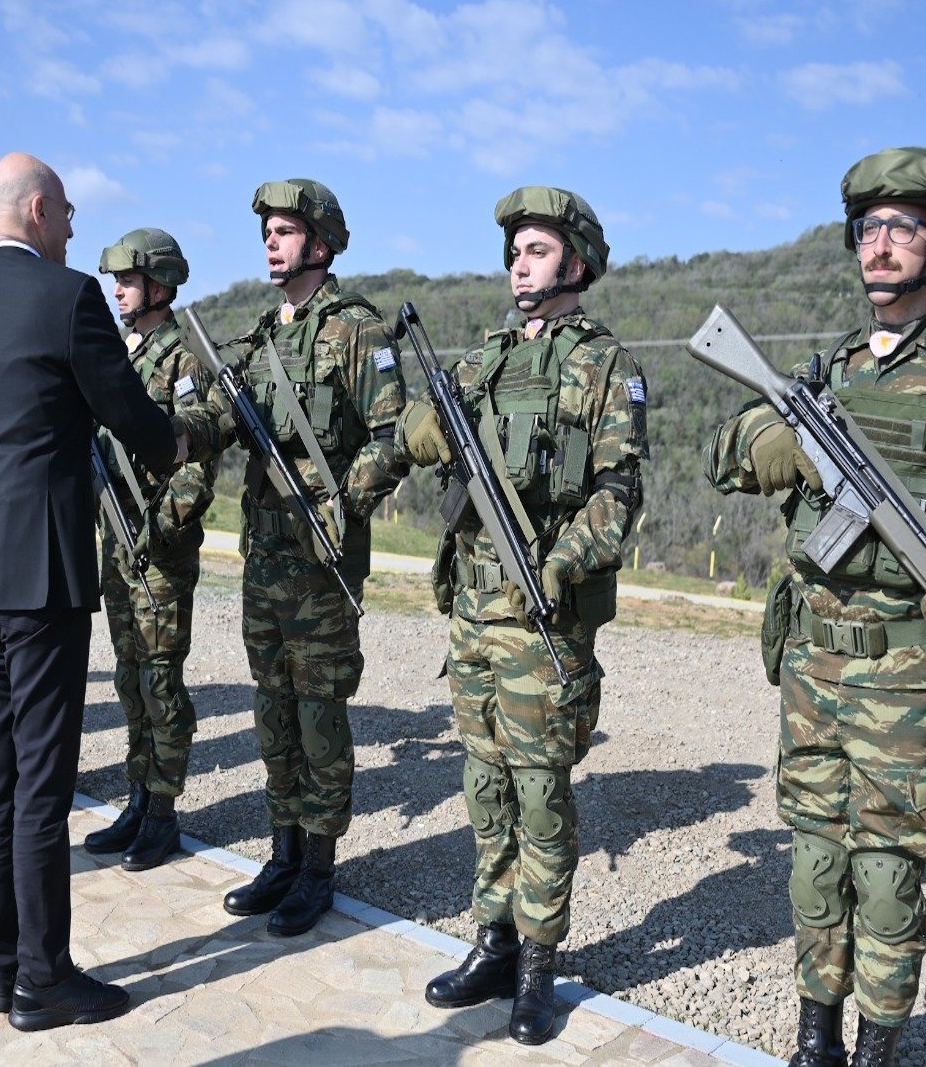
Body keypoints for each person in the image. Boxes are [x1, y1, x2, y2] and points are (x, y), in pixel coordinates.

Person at [704, 147, 926, 1067]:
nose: (881, 243)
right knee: (814, 861)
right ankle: (814, 1037)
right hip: (814, 664)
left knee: (890, 879)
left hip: (911, 671)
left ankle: (876, 1049)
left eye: (904, 226)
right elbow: (724, 452)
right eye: (869, 227)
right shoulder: (826, 372)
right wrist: (773, 442)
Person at [0, 153, 180, 1031]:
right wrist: (172, 444)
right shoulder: (69, 299)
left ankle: (1, 964)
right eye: (65, 211)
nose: (71, 227)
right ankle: (44, 977)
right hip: (39, 578)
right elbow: (126, 409)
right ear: (35, 210)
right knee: (41, 777)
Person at [399, 187, 648, 1045]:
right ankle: (495, 940)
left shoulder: (606, 365)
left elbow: (619, 494)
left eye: (537, 250)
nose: (519, 264)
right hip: (473, 613)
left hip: (543, 616)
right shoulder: (485, 360)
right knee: (485, 786)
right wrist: (425, 427)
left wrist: (559, 563)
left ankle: (538, 965)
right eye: (514, 251)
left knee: (541, 795)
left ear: (576, 263)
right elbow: (421, 434)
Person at [183, 179, 407, 938]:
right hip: (265, 558)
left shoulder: (358, 332)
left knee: (319, 713)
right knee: (272, 706)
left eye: (284, 232)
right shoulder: (260, 338)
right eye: (267, 233)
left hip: (320, 563)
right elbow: (218, 415)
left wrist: (341, 500)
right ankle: (281, 852)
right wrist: (173, 432)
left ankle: (318, 865)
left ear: (320, 241)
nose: (271, 244)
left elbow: (393, 436)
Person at [81, 228, 217, 871]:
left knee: (160, 682)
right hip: (116, 543)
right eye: (115, 281)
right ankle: (137, 798)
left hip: (157, 550)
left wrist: (155, 529)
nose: (117, 291)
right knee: (129, 677)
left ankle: (162, 812)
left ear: (159, 287)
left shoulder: (182, 362)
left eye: (128, 281)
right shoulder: (117, 356)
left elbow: (197, 466)